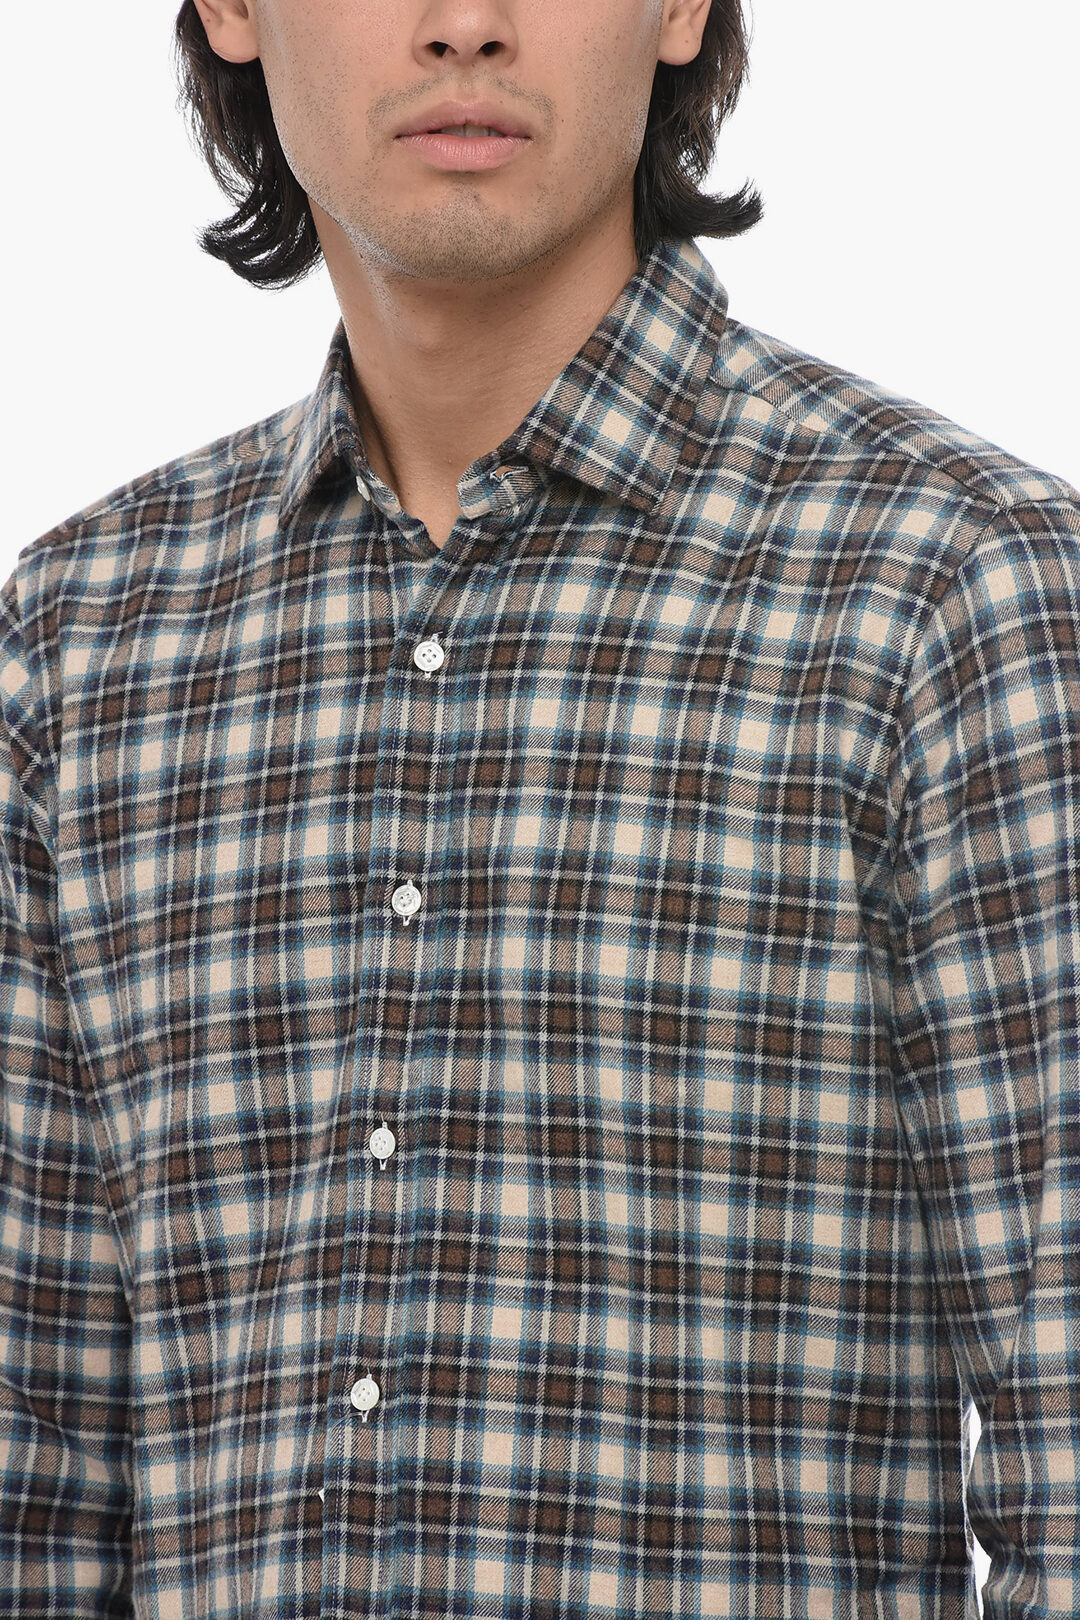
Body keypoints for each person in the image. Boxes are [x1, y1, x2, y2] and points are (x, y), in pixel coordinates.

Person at [1, 0, 1078, 1613]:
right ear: (231, 10)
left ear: (681, 6)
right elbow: (36, 1471)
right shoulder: (83, 641)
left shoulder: (953, 592)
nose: (467, 26)